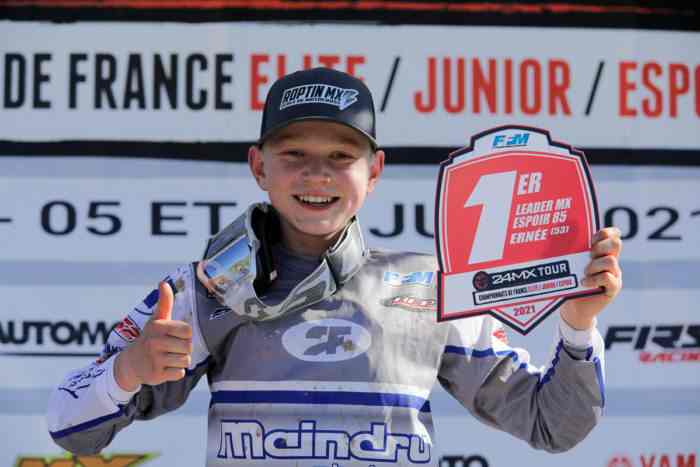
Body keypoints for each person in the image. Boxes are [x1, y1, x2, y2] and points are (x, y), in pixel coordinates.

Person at [47, 67, 623, 466]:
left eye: (341, 156)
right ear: (259, 166)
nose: (316, 174)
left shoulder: (433, 287)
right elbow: (70, 428)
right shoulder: (206, 288)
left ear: (374, 172)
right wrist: (129, 370)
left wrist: (577, 326)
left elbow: (552, 425)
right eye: (294, 154)